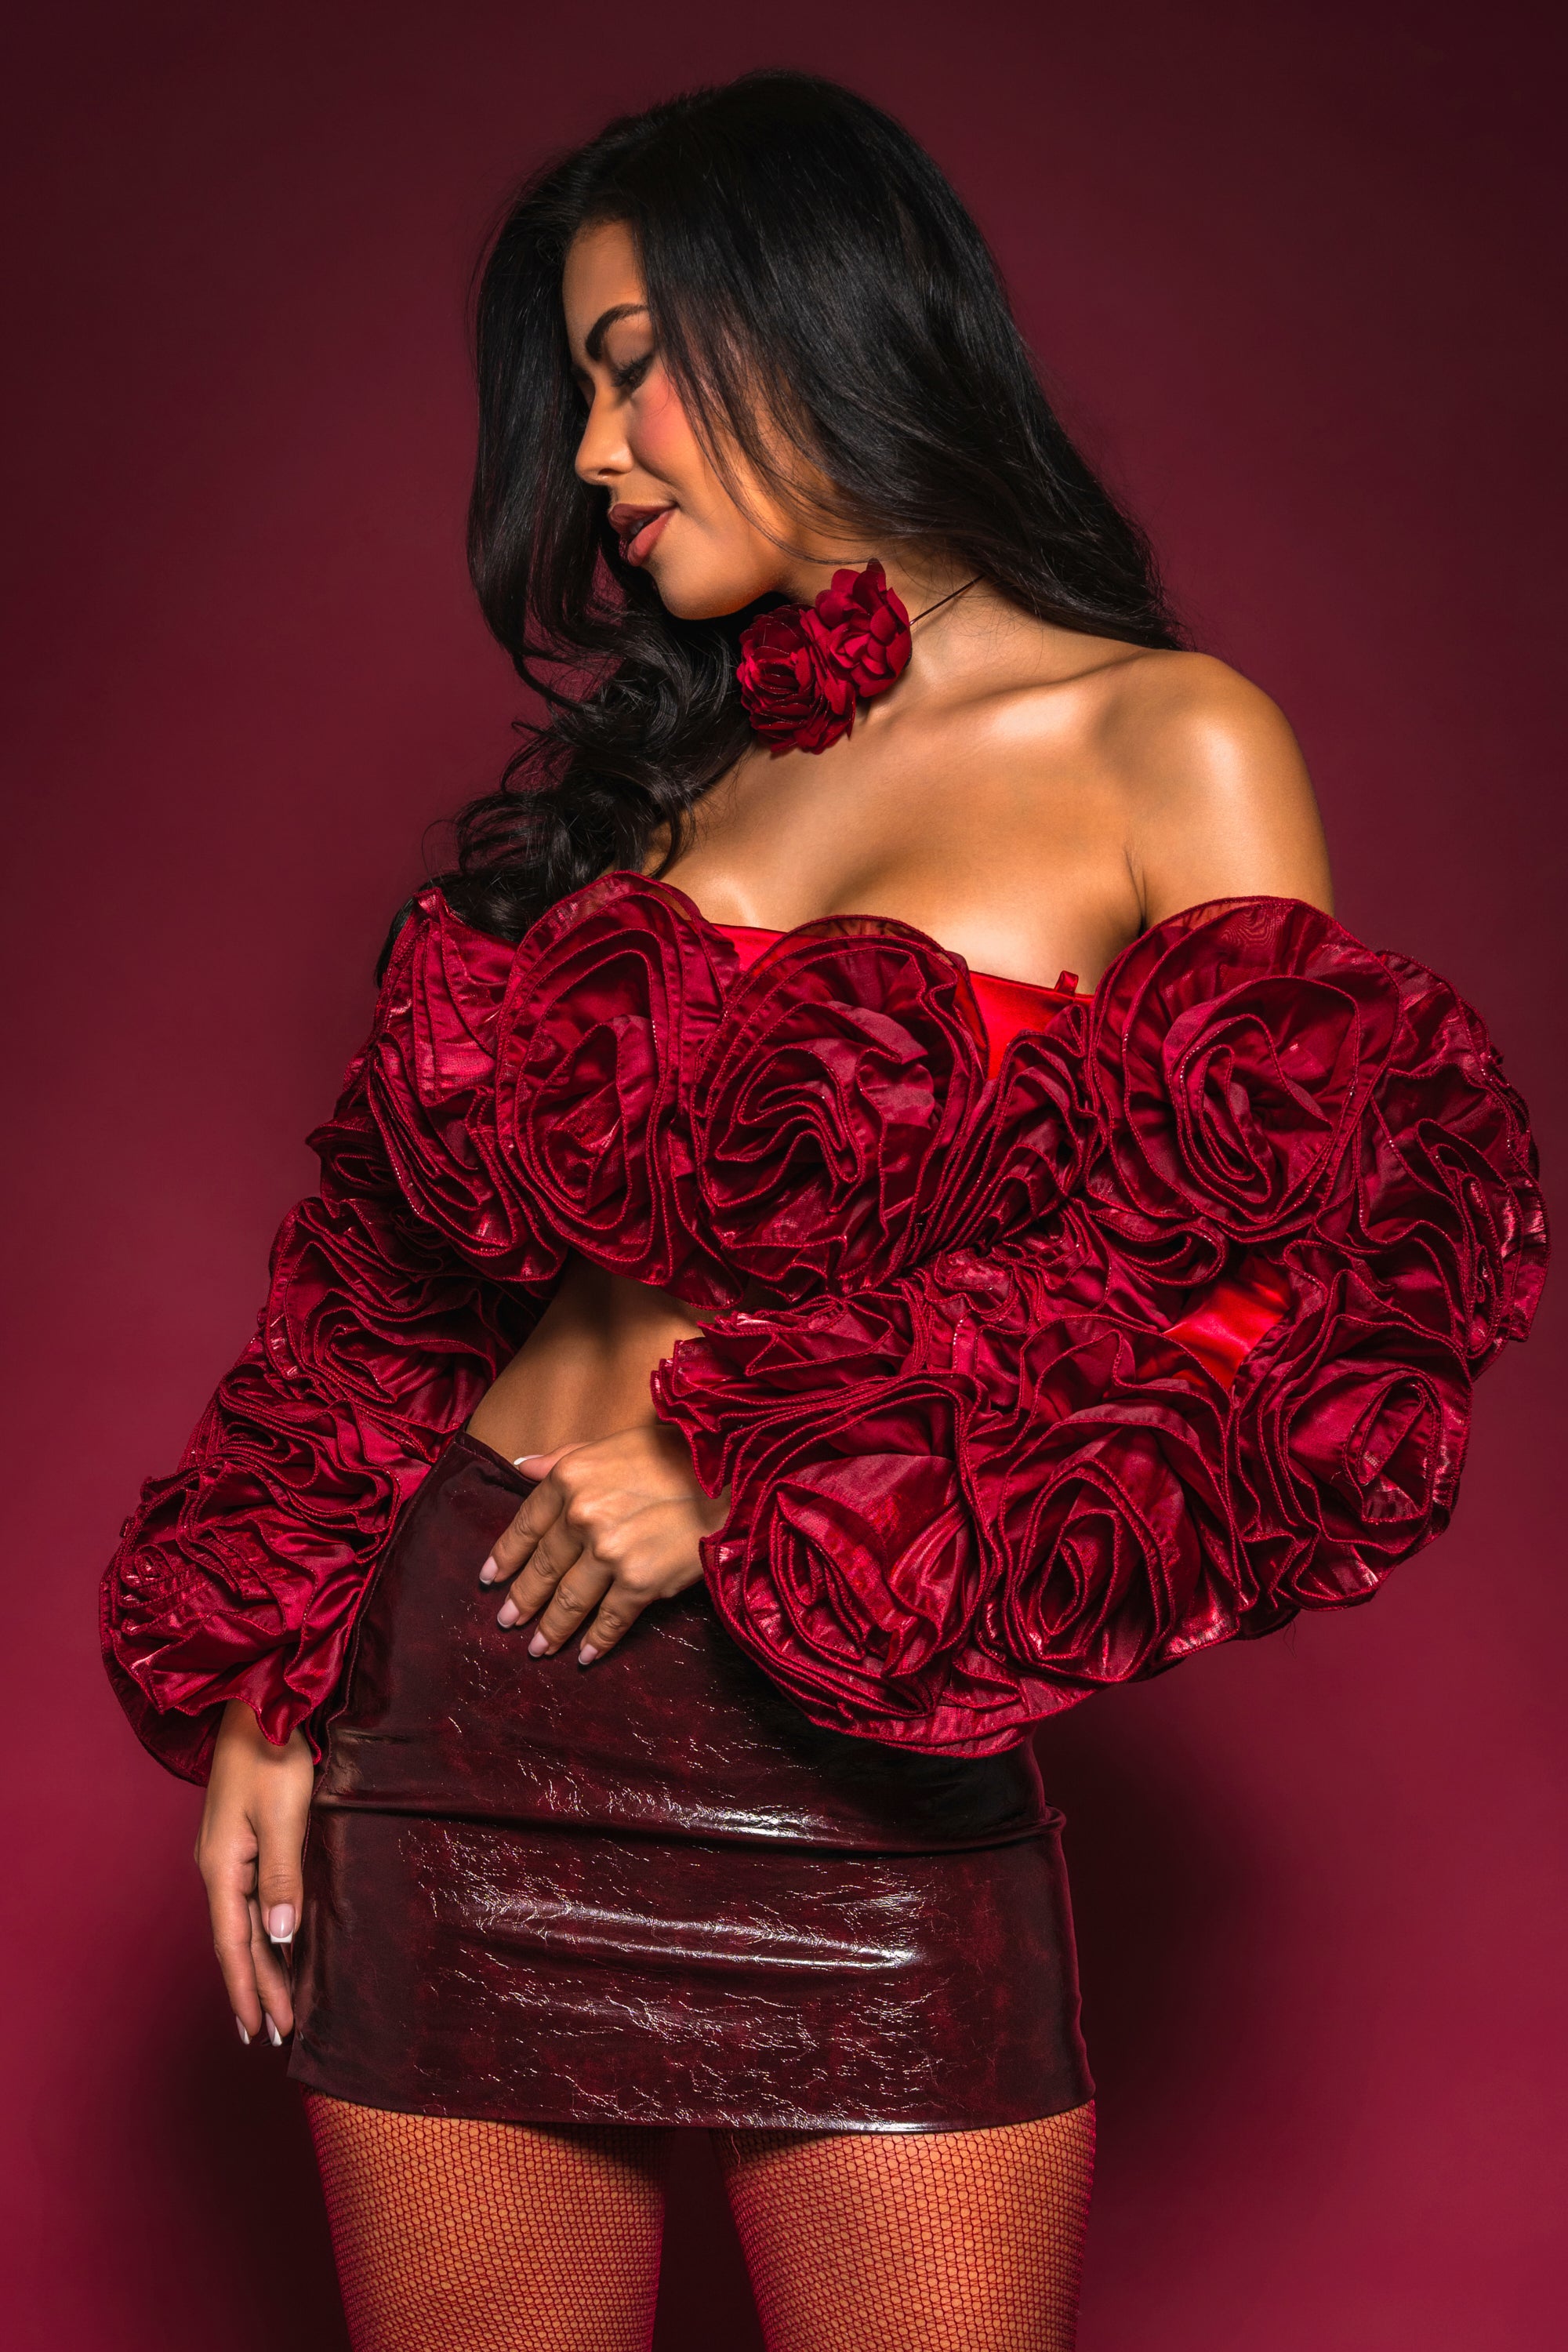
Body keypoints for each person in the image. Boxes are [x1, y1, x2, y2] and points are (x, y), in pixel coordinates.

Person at [100, 70, 1545, 2352]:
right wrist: (271, 1678)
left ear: (811, 316)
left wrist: (766, 1462)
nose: (591, 457)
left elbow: (1318, 1316)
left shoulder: (1165, 744)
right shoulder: (670, 765)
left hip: (856, 1767)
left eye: (624, 363)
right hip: (457, 1725)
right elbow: (395, 1271)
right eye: (579, 390)